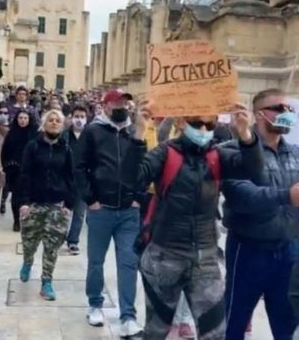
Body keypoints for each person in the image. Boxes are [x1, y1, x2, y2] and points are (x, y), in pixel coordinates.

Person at [134, 104, 260, 340]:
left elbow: (254, 171)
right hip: (165, 256)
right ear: (182, 123)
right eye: (197, 123)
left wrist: (245, 135)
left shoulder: (217, 156)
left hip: (206, 259)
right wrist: (138, 135)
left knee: (215, 333)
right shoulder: (165, 152)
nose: (203, 129)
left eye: (209, 124)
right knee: (156, 331)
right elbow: (133, 179)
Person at [223, 88, 299, 340]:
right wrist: (286, 196)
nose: (285, 113)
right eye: (278, 109)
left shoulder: (296, 154)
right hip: (248, 250)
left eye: (288, 109)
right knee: (235, 320)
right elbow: (242, 197)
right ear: (258, 115)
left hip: (288, 250)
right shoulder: (232, 151)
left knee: (286, 321)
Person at [76, 89, 144, 337]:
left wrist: (139, 198)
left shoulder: (133, 132)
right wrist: (90, 198)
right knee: (96, 261)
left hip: (128, 211)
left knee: (128, 262)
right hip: (101, 209)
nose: (121, 105)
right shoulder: (93, 131)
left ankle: (128, 316)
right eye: (116, 102)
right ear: (105, 106)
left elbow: (142, 165)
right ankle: (95, 303)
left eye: (125, 102)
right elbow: (80, 166)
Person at [16, 109, 76, 300]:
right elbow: (24, 174)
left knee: (52, 246)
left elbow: (71, 178)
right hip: (34, 203)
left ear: (62, 124)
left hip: (57, 205)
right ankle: (27, 260)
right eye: (50, 120)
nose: (53, 123)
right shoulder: (33, 146)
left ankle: (46, 282)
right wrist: (24, 202)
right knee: (29, 240)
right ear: (44, 124)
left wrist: (69, 204)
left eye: (57, 120)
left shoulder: (66, 149)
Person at [1, 110, 38, 232]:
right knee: (16, 197)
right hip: (14, 170)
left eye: (25, 118)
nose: (22, 120)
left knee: (29, 197)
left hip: (31, 171)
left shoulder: (34, 134)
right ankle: (16, 220)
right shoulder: (11, 133)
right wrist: (6, 165)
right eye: (20, 118)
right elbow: (4, 151)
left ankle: (28, 220)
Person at [64, 104, 88, 255]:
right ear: (71, 118)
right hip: (65, 179)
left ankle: (73, 241)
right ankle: (59, 236)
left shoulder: (90, 136)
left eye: (82, 117)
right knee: (63, 211)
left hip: (83, 181)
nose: (79, 120)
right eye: (77, 116)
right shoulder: (64, 136)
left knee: (79, 213)